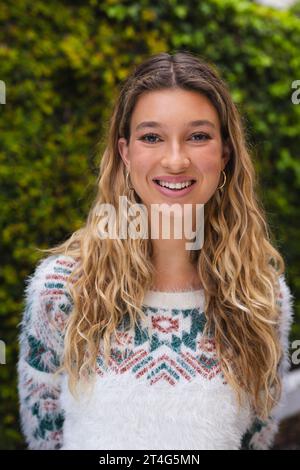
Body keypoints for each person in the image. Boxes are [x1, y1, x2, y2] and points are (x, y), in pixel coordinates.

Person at [18, 51, 294, 450]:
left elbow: (256, 436)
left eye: (198, 136)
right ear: (125, 153)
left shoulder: (264, 299)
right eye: (152, 137)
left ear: (225, 153)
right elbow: (45, 433)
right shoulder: (63, 291)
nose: (176, 160)